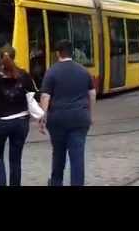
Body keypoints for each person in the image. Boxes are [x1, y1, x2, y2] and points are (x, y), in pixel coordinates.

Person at [39, 40, 96, 186]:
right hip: (79, 118)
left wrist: (42, 118)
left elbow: (45, 96)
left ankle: (56, 182)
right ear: (72, 53)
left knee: (58, 154)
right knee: (77, 156)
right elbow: (92, 93)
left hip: (58, 119)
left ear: (58, 53)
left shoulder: (51, 72)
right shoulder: (84, 71)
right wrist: (90, 113)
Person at [0, 44, 36, 186]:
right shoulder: (24, 75)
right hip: (21, 122)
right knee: (15, 159)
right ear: (14, 57)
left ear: (0, 58)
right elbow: (32, 95)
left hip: (0, 121)